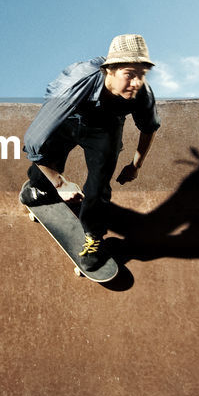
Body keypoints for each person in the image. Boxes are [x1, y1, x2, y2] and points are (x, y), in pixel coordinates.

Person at [21, 34, 161, 270]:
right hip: (70, 117)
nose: (136, 83)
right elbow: (34, 141)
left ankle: (94, 237)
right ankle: (39, 186)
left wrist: (135, 165)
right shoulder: (78, 81)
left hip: (107, 127)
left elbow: (149, 128)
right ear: (110, 70)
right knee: (47, 154)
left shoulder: (141, 93)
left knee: (99, 185)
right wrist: (59, 183)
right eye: (129, 74)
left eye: (142, 75)